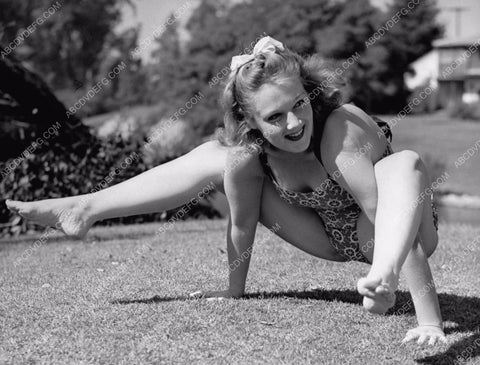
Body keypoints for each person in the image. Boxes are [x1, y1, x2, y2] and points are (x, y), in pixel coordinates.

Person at [6, 36, 445, 345]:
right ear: (249, 119)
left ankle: (382, 278)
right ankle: (84, 209)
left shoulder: (339, 132)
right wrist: (234, 291)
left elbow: (385, 211)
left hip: (396, 233)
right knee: (222, 156)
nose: (294, 123)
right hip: (329, 237)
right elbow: (241, 225)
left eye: (299, 104)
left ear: (309, 92)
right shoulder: (253, 150)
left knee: (402, 164)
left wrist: (429, 323)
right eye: (274, 117)